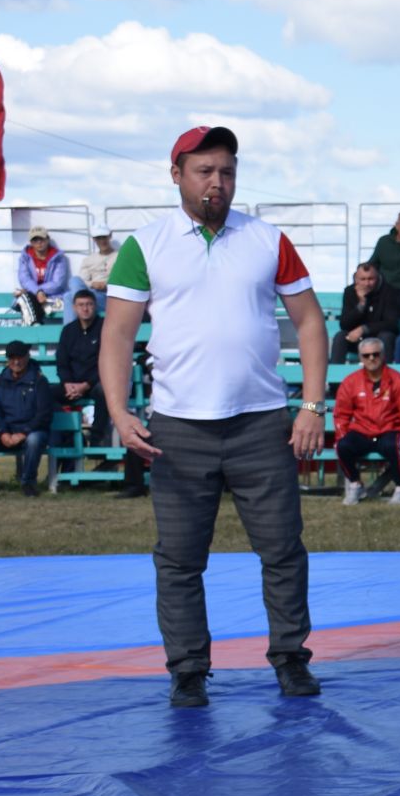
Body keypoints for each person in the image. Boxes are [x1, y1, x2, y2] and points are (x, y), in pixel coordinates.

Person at [98, 125, 329, 708]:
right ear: (176, 174)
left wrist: (310, 405)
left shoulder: (267, 238)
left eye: (226, 171)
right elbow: (118, 335)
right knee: (178, 559)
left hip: (260, 421)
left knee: (282, 549)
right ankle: (188, 670)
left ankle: (290, 659)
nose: (217, 182)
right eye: (204, 171)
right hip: (177, 427)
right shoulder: (144, 245)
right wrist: (120, 413)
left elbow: (309, 322)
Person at [333, 337, 400, 506]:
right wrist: (342, 435)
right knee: (341, 446)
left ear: (383, 355)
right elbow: (341, 414)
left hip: (389, 430)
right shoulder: (351, 382)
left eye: (375, 354)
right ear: (360, 358)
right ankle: (356, 484)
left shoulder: (398, 380)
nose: (371, 358)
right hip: (362, 431)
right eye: (366, 355)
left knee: (398, 447)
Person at [0, 340, 53, 497]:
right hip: (7, 431)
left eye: (20, 357)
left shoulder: (40, 381)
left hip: (32, 431)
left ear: (28, 357)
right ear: (7, 359)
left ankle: (28, 483)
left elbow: (44, 414)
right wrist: (2, 432)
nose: (16, 361)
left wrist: (23, 433)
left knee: (34, 440)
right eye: (12, 358)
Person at [54, 291, 109, 447]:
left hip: (94, 383)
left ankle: (96, 439)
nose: (85, 309)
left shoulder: (105, 328)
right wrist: (67, 383)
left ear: (95, 306)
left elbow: (106, 362)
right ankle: (67, 435)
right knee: (44, 393)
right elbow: (62, 361)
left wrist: (86, 385)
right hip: (71, 385)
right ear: (74, 308)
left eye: (89, 304)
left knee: (104, 391)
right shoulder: (68, 331)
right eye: (81, 305)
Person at [332, 262, 400, 365]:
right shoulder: (350, 292)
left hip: (379, 338)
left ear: (377, 277)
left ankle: (386, 378)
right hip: (356, 339)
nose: (367, 283)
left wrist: (363, 329)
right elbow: (344, 324)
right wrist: (361, 304)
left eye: (370, 279)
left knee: (387, 336)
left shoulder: (389, 292)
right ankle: (335, 379)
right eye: (363, 279)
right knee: (340, 337)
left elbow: (391, 323)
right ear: (356, 279)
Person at [16, 224, 71, 321]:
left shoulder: (58, 257)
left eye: (42, 239)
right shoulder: (25, 257)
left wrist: (37, 291)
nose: (39, 242)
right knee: (25, 301)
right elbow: (24, 279)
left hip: (53, 297)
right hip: (33, 296)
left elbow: (58, 283)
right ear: (31, 242)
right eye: (35, 240)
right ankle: (35, 327)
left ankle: (34, 329)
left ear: (48, 239)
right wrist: (37, 292)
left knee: (26, 301)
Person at [79, 229, 117, 313]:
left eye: (104, 237)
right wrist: (92, 284)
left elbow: (123, 279)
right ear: (94, 239)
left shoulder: (120, 257)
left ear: (110, 236)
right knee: (74, 281)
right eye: (98, 238)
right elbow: (82, 280)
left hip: (109, 294)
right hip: (91, 291)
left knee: (70, 297)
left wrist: (106, 284)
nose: (102, 241)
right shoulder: (88, 259)